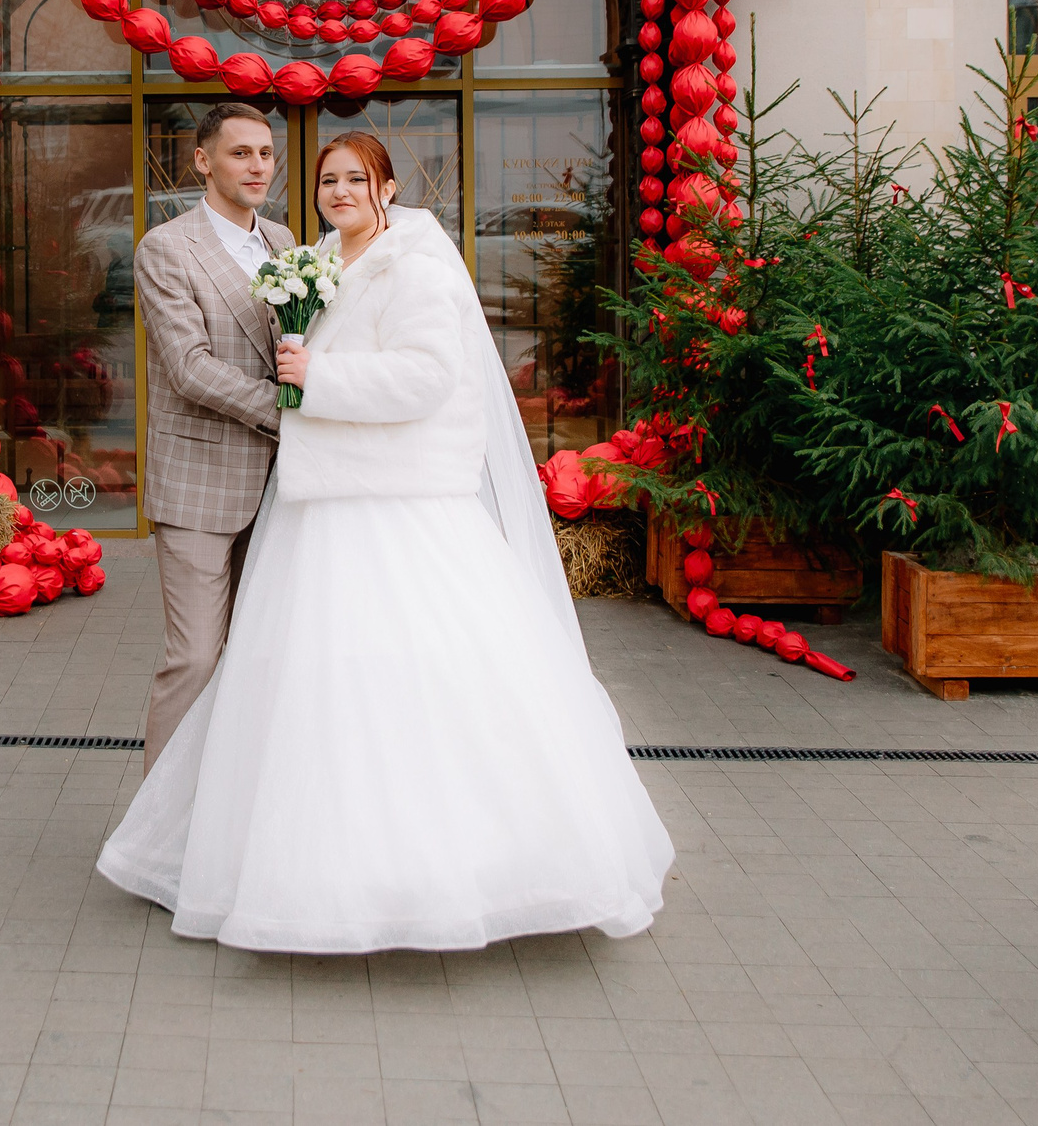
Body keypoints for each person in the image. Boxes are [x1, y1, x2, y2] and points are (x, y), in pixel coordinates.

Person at [99, 130, 675, 952]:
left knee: (405, 682)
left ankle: (436, 866)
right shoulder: (318, 256)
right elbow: (197, 364)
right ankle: (234, 843)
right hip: (308, 497)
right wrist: (295, 392)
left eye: (353, 179)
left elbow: (426, 375)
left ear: (389, 188)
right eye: (327, 178)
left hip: (387, 501)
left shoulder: (416, 261)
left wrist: (313, 384)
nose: (335, 190)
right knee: (286, 684)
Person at [130, 101, 294, 771]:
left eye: (265, 153)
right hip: (200, 483)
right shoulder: (166, 248)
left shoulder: (288, 245)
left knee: (263, 658)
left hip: (284, 486)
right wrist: (292, 412)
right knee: (195, 656)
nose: (257, 165)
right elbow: (190, 368)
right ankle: (156, 834)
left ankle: (233, 816)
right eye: (240, 152)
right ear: (203, 160)